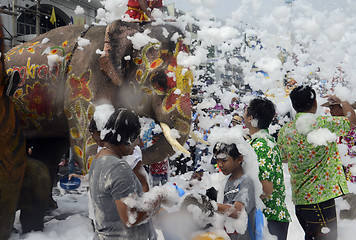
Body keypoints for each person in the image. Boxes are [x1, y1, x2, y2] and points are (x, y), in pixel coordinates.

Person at [277, 85, 356, 240]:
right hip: (321, 201)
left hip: (300, 201)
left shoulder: (285, 131)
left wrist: (301, 155)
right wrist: (342, 99)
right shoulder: (323, 123)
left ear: (293, 105)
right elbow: (351, 120)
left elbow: (284, 157)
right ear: (315, 104)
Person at [89, 108, 177, 240]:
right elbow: (131, 218)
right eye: (136, 138)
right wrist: (159, 195)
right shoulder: (118, 167)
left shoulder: (99, 159)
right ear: (126, 138)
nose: (137, 143)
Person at [243, 97, 291, 240]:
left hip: (268, 219)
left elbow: (266, 188)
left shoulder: (260, 146)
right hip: (271, 217)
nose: (243, 114)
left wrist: (242, 204)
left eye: (245, 111)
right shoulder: (265, 140)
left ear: (251, 118)